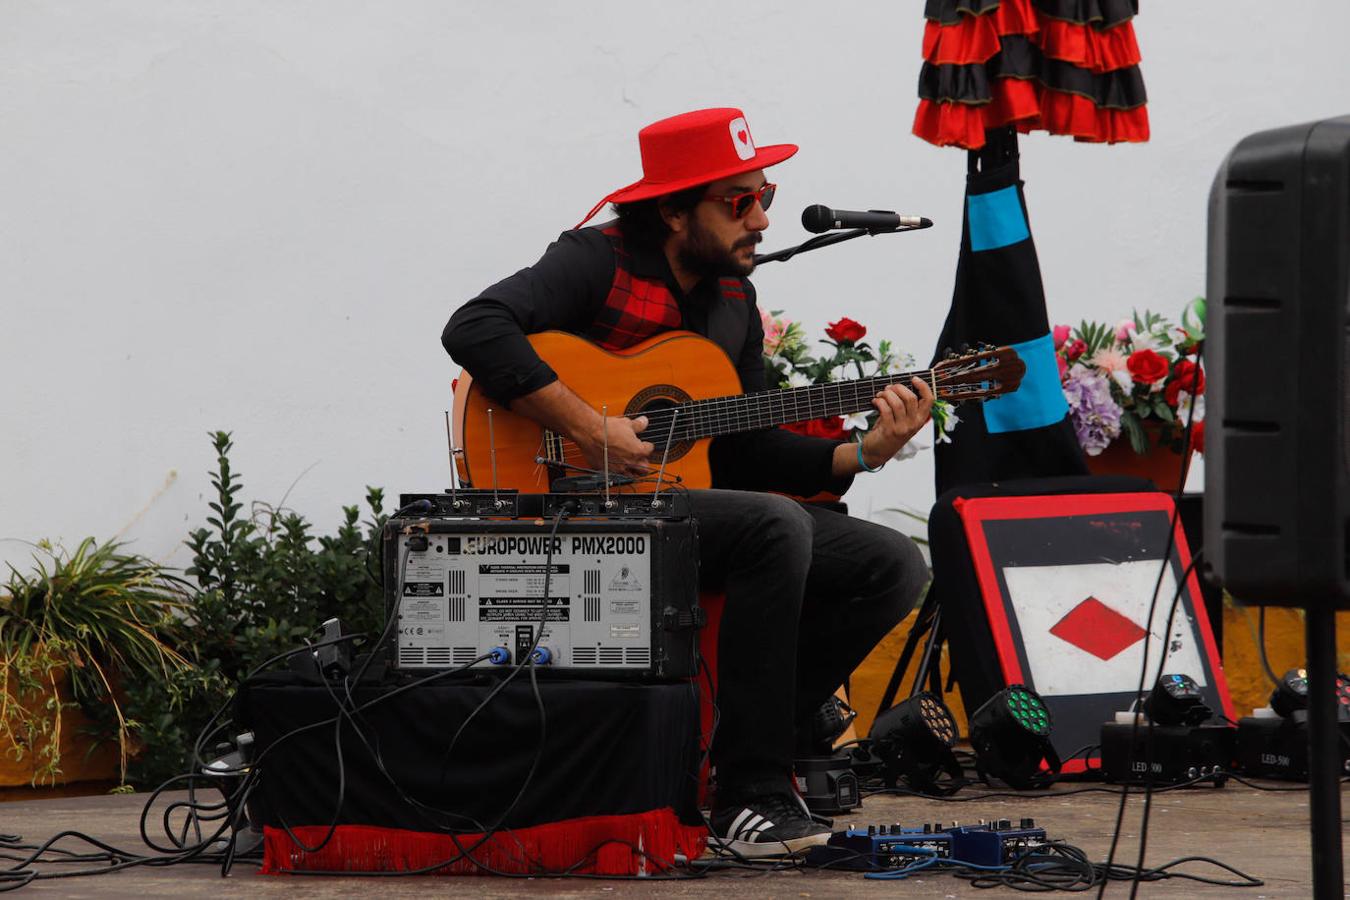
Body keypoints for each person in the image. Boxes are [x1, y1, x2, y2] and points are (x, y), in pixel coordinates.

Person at [442, 107, 932, 857]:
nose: (763, 219)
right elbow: (475, 327)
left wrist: (865, 451)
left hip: (667, 509)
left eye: (765, 195)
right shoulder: (594, 261)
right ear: (673, 210)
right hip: (566, 505)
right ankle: (750, 793)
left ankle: (746, 741)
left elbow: (751, 451)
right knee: (776, 525)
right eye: (741, 202)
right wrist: (588, 425)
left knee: (891, 563)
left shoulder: (735, 301)